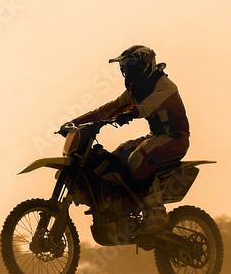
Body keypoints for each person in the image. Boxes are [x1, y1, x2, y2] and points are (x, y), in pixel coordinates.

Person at [64, 45, 190, 234]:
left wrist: (132, 113)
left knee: (137, 159)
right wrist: (75, 123)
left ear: (144, 65)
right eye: (124, 67)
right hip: (156, 136)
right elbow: (109, 108)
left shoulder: (165, 87)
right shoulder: (136, 89)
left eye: (131, 65)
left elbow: (147, 107)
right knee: (113, 161)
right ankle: (121, 208)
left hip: (175, 138)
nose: (127, 70)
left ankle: (156, 213)